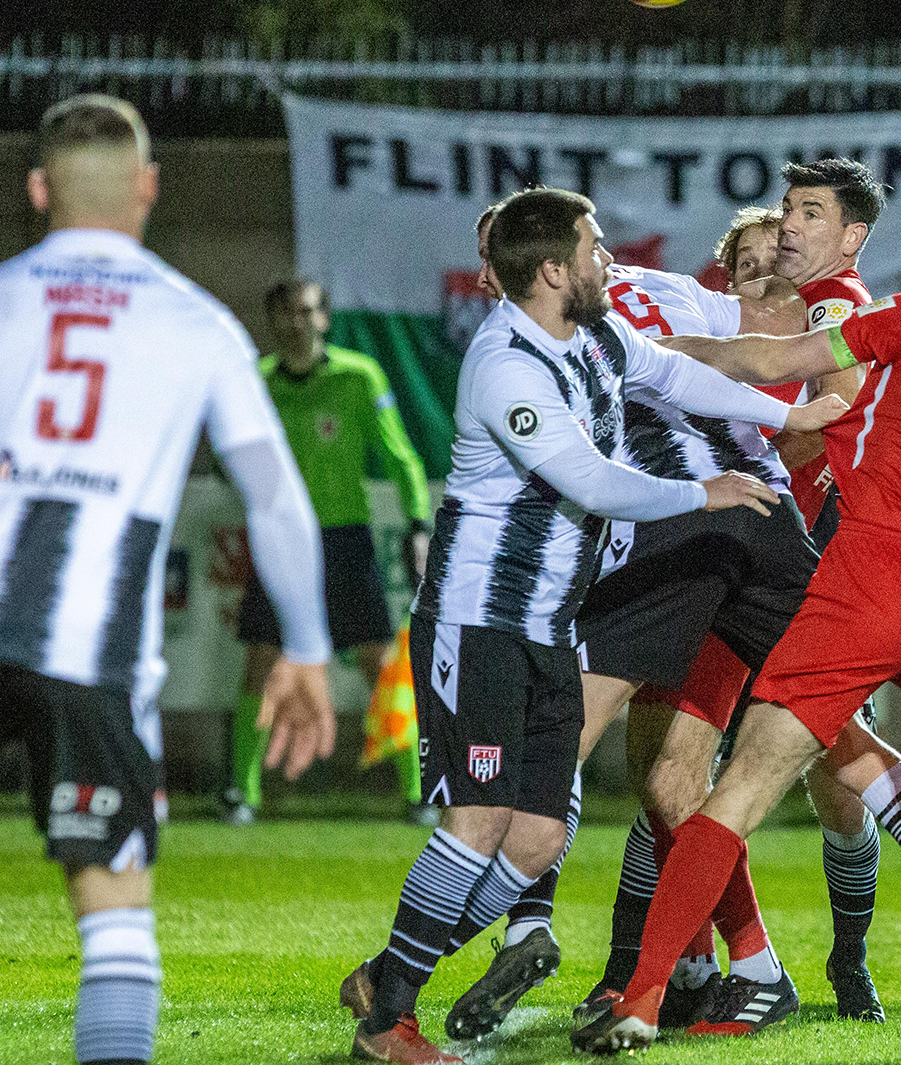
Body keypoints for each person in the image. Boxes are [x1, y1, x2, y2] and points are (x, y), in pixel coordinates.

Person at [0, 94, 337, 1065]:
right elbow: (277, 498)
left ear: (38, 189)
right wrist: (308, 647)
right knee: (112, 899)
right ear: (149, 188)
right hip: (97, 642)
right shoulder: (197, 324)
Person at [573, 197, 901, 1065]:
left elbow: (771, 359)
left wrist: (650, 354)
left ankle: (642, 996)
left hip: (863, 586)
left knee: (737, 789)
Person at [336, 187, 844, 1065]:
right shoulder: (506, 364)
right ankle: (388, 1022)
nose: (612, 258)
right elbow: (594, 479)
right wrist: (705, 490)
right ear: (553, 271)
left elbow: (676, 372)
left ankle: (391, 971)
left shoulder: (597, 334)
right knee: (480, 819)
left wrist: (787, 416)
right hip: (477, 621)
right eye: (596, 246)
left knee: (535, 838)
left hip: (545, 624)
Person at [446, 210, 812, 1043]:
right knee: (675, 778)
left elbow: (605, 469)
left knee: (560, 738)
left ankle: (489, 940)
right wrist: (798, 386)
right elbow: (771, 339)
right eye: (746, 262)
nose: (607, 258)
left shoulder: (591, 330)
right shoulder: (627, 317)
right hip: (751, 525)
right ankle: (712, 971)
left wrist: (812, 345)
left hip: (692, 528)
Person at [226, 274, 432, 825]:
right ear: (273, 321)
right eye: (287, 312)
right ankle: (241, 794)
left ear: (324, 319)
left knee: (379, 665)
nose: (298, 322)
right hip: (279, 540)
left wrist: (417, 523)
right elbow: (234, 459)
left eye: (308, 311)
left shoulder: (357, 376)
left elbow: (401, 456)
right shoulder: (257, 382)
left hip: (346, 540)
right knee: (263, 663)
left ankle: (417, 793)